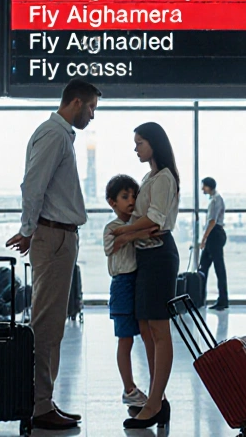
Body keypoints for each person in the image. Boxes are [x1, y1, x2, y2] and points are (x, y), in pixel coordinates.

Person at [6, 78, 100, 431]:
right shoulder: (54, 134)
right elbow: (33, 185)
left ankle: (43, 400)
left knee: (52, 325)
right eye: (91, 108)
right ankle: (39, 405)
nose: (93, 115)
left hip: (59, 236)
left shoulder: (60, 136)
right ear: (76, 102)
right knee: (46, 325)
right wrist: (29, 230)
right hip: (54, 236)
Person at [109, 122, 180, 430]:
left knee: (159, 330)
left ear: (154, 143)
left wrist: (121, 232)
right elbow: (144, 222)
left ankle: (154, 403)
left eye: (139, 142)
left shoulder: (164, 178)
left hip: (160, 255)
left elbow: (155, 220)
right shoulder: (148, 177)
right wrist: (132, 232)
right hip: (146, 256)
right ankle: (157, 399)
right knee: (148, 329)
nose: (135, 147)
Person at [102, 174, 151, 412]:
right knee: (125, 340)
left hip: (138, 283)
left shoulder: (134, 223)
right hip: (122, 285)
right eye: (125, 197)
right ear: (112, 202)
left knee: (142, 334)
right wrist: (136, 232)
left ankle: (138, 389)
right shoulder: (112, 227)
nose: (131, 200)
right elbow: (116, 242)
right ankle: (129, 389)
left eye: (134, 196)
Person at [198, 177, 229, 310]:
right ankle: (200, 298)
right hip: (215, 234)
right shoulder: (215, 199)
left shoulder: (215, 200)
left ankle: (221, 299)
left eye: (203, 186)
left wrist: (204, 238)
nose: (202, 189)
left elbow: (212, 221)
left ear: (209, 186)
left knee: (217, 267)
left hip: (214, 235)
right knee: (204, 266)